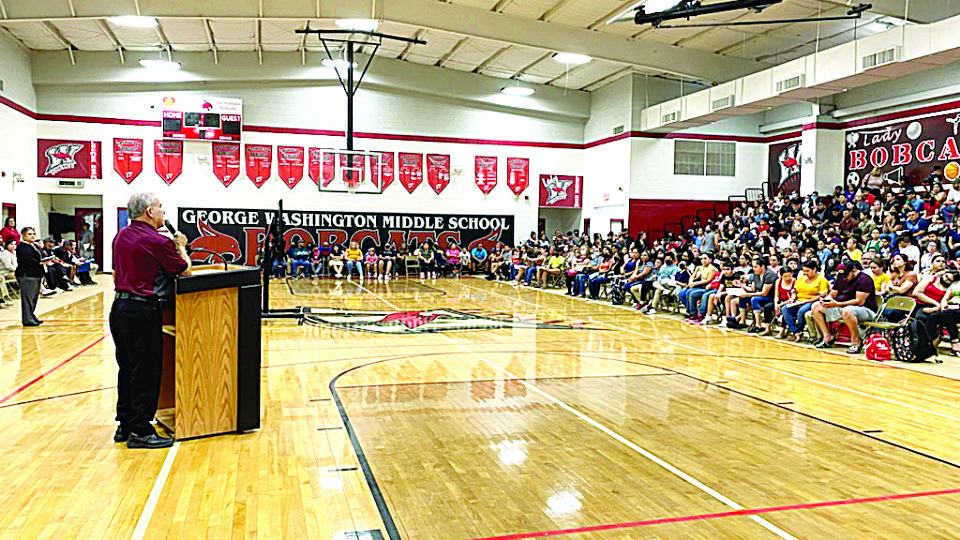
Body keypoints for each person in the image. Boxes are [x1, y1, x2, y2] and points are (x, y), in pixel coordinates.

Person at [111, 193, 191, 449]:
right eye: (160, 208)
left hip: (120, 308)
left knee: (128, 369)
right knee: (146, 371)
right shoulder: (158, 241)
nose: (163, 213)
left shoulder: (121, 236)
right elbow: (184, 269)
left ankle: (125, 424)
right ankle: (141, 430)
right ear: (149, 211)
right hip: (143, 311)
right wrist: (180, 245)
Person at [808, 261, 878, 353]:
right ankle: (827, 337)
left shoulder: (864, 279)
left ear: (853, 271)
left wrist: (837, 304)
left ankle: (855, 343)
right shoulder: (841, 278)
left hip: (865, 310)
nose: (844, 279)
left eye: (846, 276)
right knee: (816, 306)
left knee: (847, 311)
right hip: (842, 307)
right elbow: (832, 294)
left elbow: (859, 301)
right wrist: (825, 300)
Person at [15, 227, 50, 326]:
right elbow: (27, 261)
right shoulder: (23, 247)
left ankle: (31, 315)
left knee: (34, 297)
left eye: (33, 233)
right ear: (24, 235)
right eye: (29, 234)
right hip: (27, 275)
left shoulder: (34, 246)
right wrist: (41, 262)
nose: (32, 236)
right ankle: (27, 319)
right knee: (28, 298)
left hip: (36, 274)